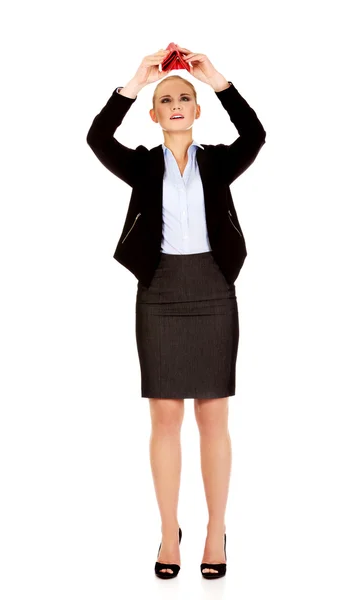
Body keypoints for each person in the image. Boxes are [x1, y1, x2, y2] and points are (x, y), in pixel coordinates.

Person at [86, 45, 266, 579]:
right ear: (155, 112)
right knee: (164, 416)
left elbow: (255, 136)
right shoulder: (142, 166)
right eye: (168, 99)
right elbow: (97, 139)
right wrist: (138, 79)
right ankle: (169, 533)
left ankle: (215, 531)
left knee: (213, 415)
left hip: (213, 289)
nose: (179, 104)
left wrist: (215, 78)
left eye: (186, 97)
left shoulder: (217, 162)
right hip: (160, 291)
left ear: (197, 108)